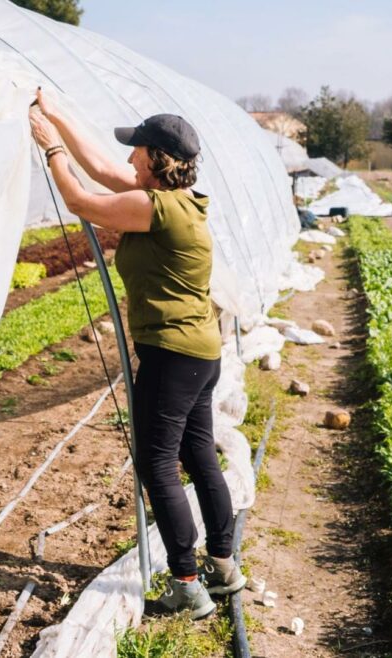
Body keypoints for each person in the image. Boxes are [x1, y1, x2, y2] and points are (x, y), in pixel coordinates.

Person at [28, 90, 246, 620]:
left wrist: (51, 149)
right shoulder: (179, 202)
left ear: (155, 159)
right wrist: (56, 111)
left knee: (157, 464)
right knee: (198, 456)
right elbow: (102, 167)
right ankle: (223, 567)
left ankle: (187, 586)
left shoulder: (152, 208)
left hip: (172, 356)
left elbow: (80, 200)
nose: (128, 157)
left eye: (137, 150)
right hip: (200, 353)